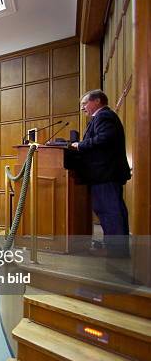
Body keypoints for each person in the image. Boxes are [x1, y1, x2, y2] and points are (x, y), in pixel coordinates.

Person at [71, 89, 131, 257]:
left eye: (84, 103)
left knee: (110, 212)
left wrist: (80, 145)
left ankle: (116, 251)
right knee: (110, 211)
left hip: (105, 173)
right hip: (105, 174)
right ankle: (115, 249)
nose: (82, 108)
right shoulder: (101, 117)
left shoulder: (104, 116)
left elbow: (104, 139)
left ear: (97, 101)